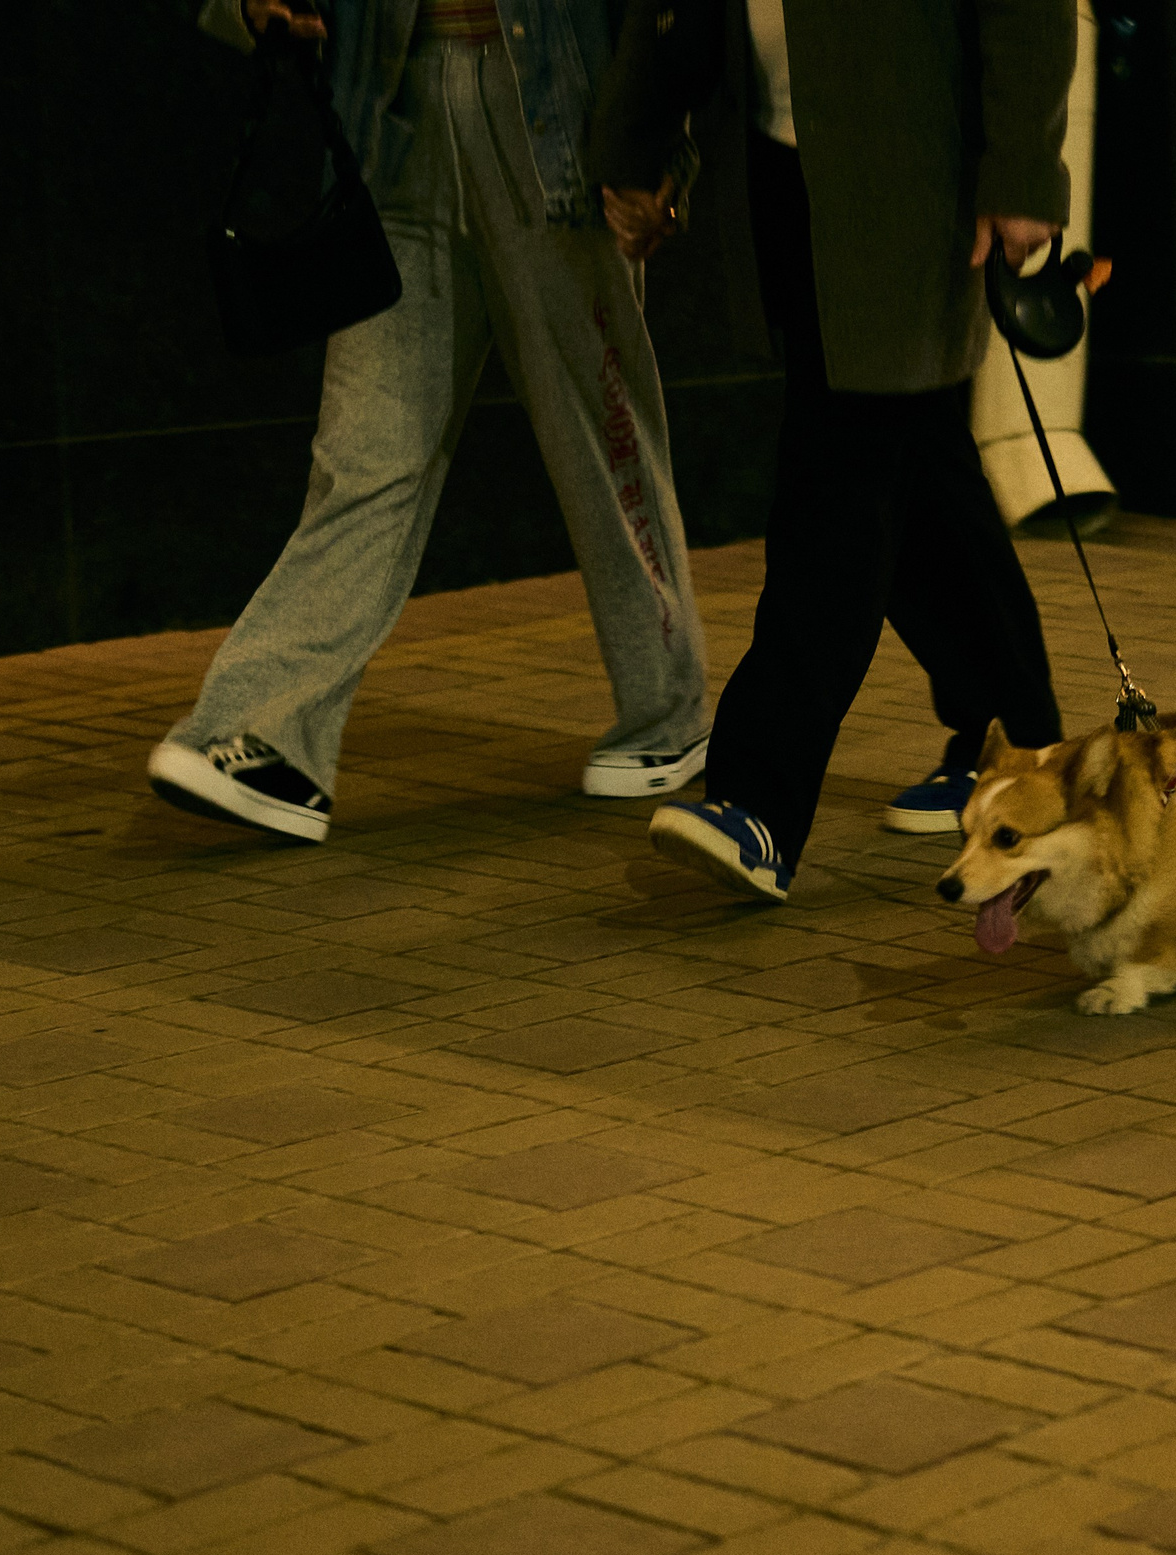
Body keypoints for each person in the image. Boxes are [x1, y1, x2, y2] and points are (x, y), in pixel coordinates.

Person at [150, 0, 712, 844]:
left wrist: (662, 148)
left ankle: (667, 712)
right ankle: (269, 732)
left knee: (600, 433)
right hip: (395, 110)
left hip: (554, 108)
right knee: (366, 452)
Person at [590, 0, 1073, 902]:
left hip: (914, 177)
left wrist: (1023, 171)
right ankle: (1015, 742)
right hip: (782, 175)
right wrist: (634, 148)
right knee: (917, 476)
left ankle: (757, 800)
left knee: (838, 490)